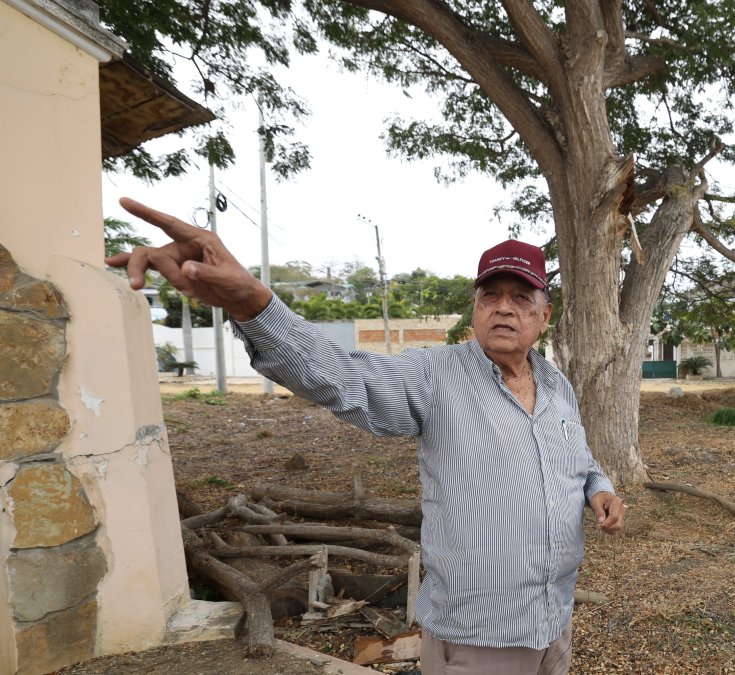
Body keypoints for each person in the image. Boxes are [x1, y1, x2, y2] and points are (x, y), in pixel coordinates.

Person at [106, 198, 626, 675]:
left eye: (520, 297)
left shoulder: (555, 383)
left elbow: (575, 453)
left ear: (544, 314)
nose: (504, 308)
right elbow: (341, 377)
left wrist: (597, 487)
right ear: (475, 308)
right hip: (480, 633)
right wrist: (256, 306)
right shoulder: (435, 375)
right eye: (490, 296)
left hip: (553, 614)